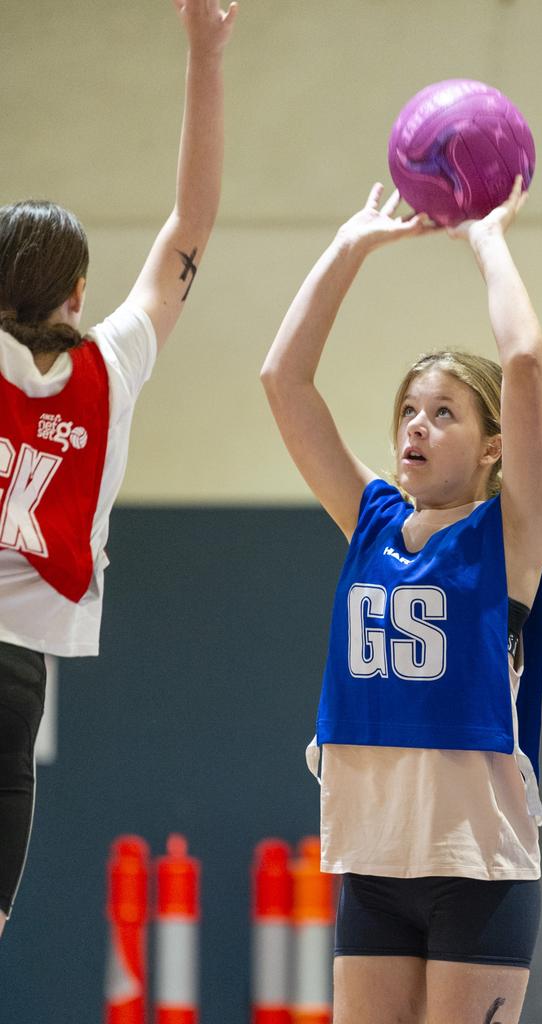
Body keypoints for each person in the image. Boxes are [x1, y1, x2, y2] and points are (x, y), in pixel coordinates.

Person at [261, 176, 542, 1024]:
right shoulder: (372, 520)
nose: (415, 428)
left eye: (444, 413)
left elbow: (527, 361)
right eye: (408, 412)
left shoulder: (512, 532)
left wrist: (485, 235)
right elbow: (284, 380)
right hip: (372, 862)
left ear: (495, 444)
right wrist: (350, 246)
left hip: (479, 872)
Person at [0, 0, 238, 936]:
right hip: (18, 669)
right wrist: (204, 53)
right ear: (79, 292)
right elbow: (193, 219)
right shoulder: (114, 364)